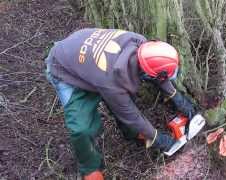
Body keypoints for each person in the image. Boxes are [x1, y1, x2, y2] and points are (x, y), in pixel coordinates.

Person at [45, 28, 195, 179]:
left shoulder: (141, 45)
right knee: (81, 128)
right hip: (64, 69)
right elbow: (130, 114)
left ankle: (134, 134)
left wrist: (177, 98)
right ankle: (90, 168)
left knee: (120, 99)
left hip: (86, 58)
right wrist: (158, 139)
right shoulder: (113, 83)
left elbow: (158, 75)